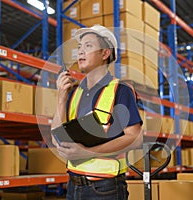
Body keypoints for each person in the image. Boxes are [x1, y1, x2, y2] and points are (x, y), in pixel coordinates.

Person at [52, 25, 143, 200]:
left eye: (88, 46)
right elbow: (58, 136)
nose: (80, 52)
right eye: (79, 47)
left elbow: (135, 137)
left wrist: (88, 152)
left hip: (105, 188)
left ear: (105, 53)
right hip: (73, 185)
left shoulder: (120, 90)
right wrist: (61, 98)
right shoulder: (75, 92)